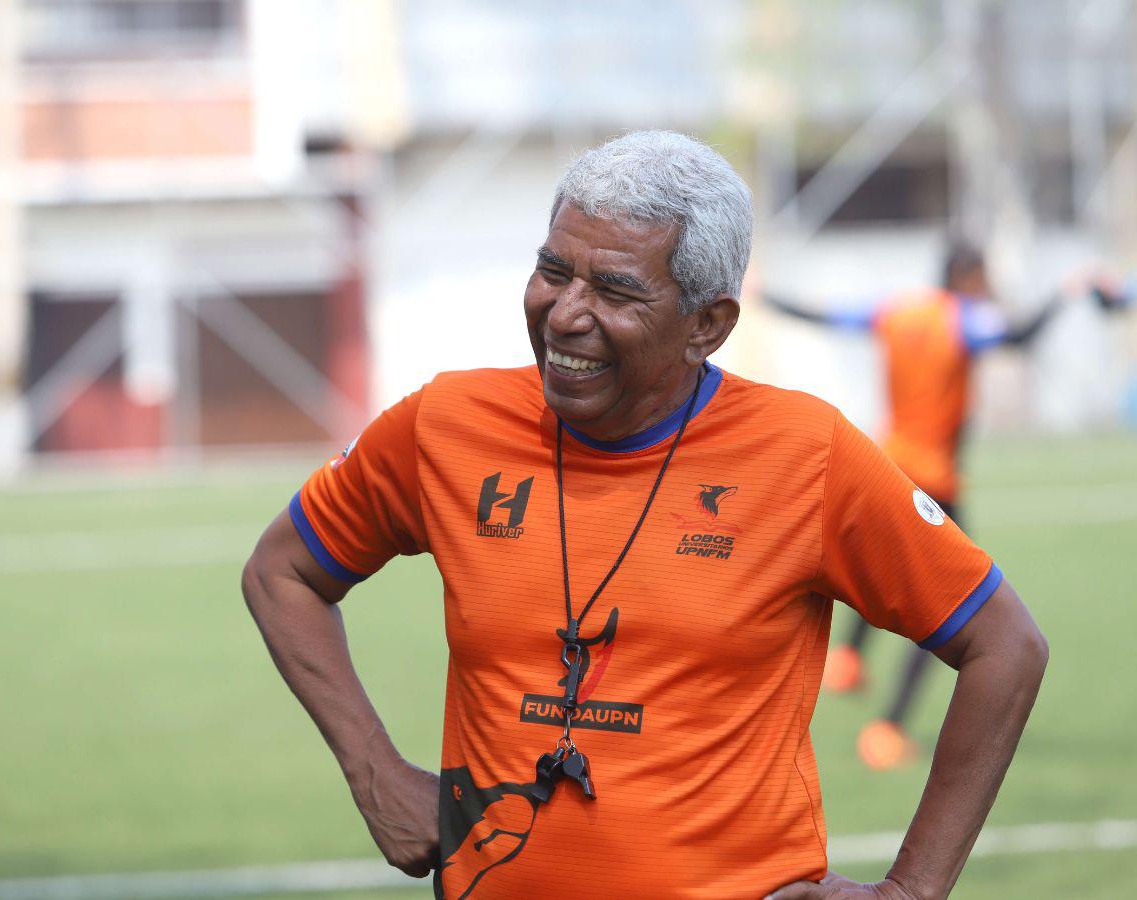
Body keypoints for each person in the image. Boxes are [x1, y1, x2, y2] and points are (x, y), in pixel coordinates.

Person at [242, 131, 1048, 899]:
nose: (565, 313)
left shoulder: (807, 455)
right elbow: (282, 572)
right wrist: (373, 770)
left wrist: (913, 887)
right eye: (553, 271)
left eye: (616, 290)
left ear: (707, 326)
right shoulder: (446, 425)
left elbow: (1004, 644)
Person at [762, 247, 1106, 770]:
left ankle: (848, 660)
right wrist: (1067, 292)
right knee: (955, 608)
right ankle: (889, 729)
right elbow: (1018, 336)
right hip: (936, 482)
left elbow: (825, 316)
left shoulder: (895, 310)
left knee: (879, 569)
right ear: (968, 276)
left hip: (889, 467)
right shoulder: (963, 320)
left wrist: (765, 295)